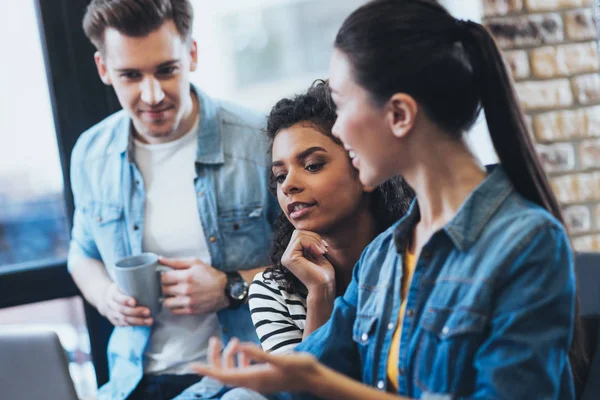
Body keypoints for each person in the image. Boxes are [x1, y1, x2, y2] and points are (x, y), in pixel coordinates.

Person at [190, 0, 587, 399]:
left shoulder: (528, 244)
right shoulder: (383, 257)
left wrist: (318, 382)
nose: (339, 130)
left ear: (398, 114)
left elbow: (319, 380)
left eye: (342, 106)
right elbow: (309, 377)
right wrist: (270, 376)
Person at [68, 1, 277, 399]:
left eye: (166, 70)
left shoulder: (259, 141)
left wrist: (233, 286)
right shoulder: (90, 154)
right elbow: (82, 253)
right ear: (103, 69)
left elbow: (314, 264)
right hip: (132, 380)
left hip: (241, 377)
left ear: (192, 54)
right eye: (130, 75)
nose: (152, 95)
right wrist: (106, 297)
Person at [248, 81, 414, 354]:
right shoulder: (273, 291)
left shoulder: (418, 256)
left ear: (363, 166)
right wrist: (320, 293)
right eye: (280, 176)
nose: (288, 185)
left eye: (312, 165)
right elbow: (304, 395)